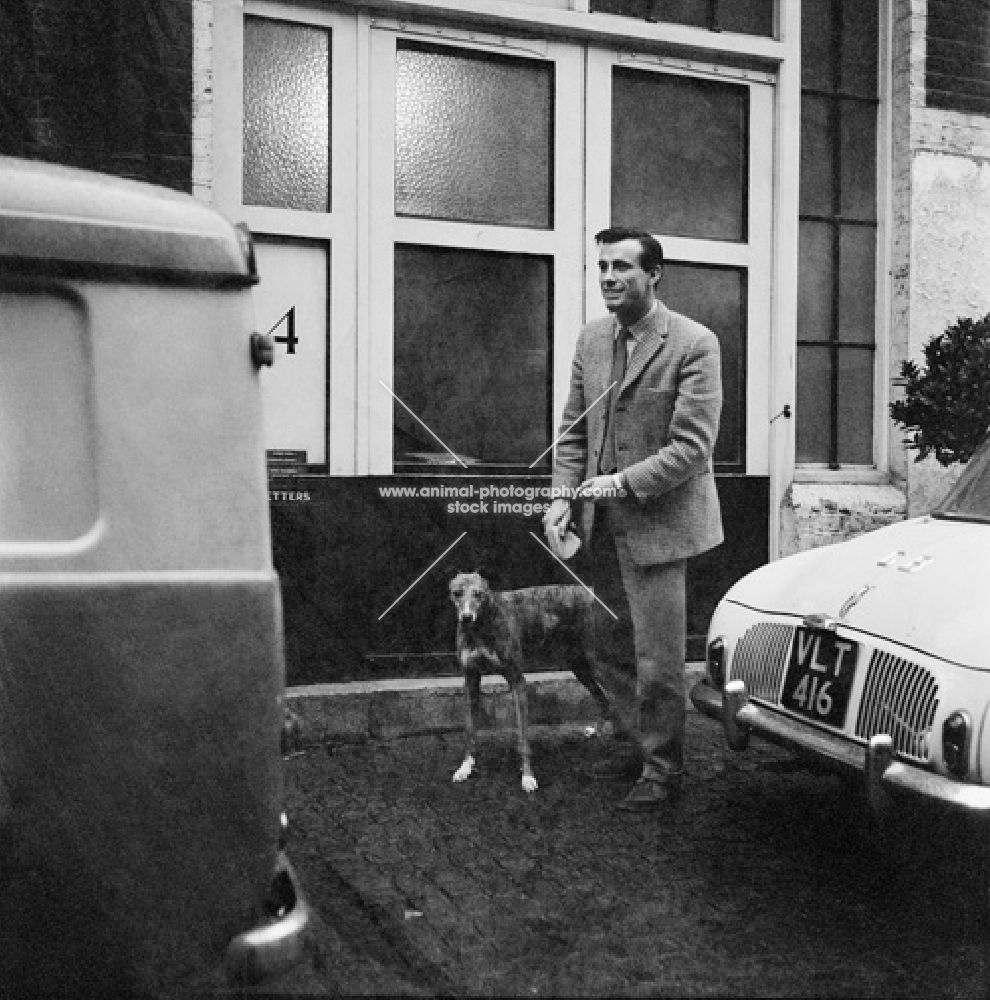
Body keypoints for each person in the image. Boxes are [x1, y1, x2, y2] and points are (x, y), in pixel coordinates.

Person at [543, 226, 723, 812]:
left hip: (661, 527)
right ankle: (638, 738)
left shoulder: (695, 343)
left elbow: (692, 447)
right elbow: (574, 432)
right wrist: (563, 497)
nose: (609, 278)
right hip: (598, 528)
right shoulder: (593, 340)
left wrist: (620, 482)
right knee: (598, 646)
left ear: (653, 275)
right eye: (601, 267)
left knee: (659, 661)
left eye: (622, 267)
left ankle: (663, 770)